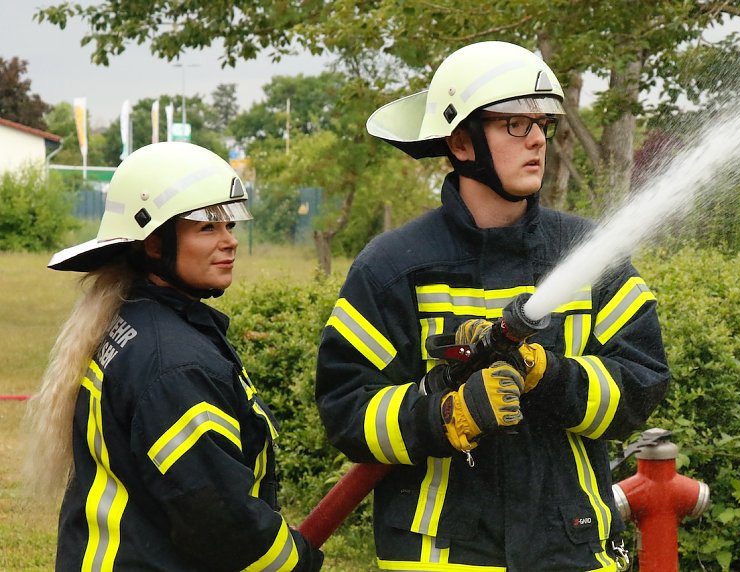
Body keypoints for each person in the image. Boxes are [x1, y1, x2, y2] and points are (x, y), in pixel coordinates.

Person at [315, 41, 670, 571]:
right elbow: (347, 410)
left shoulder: (589, 256)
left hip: (570, 552)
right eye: (513, 126)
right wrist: (444, 415)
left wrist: (548, 374)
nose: (536, 141)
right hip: (441, 557)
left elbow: (640, 386)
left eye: (542, 125)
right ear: (461, 143)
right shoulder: (394, 267)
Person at [23, 142, 323, 571]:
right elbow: (217, 515)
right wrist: (293, 559)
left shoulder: (132, 319)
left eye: (229, 225)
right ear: (153, 243)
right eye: (207, 228)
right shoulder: (175, 364)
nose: (230, 241)